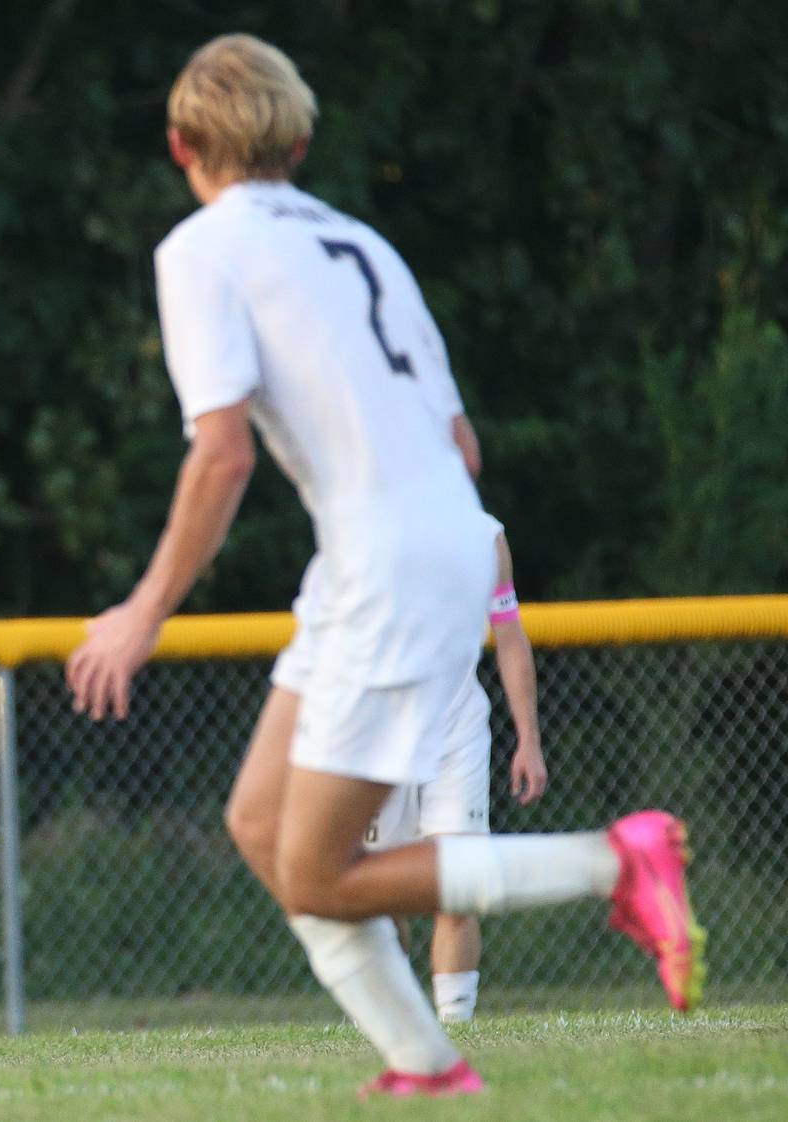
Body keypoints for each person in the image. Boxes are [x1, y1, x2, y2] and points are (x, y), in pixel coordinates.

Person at [65, 33, 703, 1097]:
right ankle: (427, 1066)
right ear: (301, 139)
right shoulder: (365, 242)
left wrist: (142, 611)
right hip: (429, 542)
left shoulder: (201, 251)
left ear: (180, 144)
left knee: (320, 871)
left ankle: (615, 861)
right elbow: (462, 449)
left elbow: (219, 451)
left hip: (384, 560)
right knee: (261, 826)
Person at [361, 525, 546, 1023]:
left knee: (457, 886)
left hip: (455, 733)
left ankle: (455, 1024)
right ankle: (391, 1018)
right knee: (375, 893)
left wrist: (528, 738)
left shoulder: (484, 537)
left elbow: (508, 635)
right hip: (382, 731)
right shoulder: (371, 520)